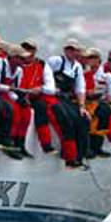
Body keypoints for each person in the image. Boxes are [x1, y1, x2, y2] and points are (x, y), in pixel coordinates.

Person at [46, 39, 91, 169]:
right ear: (65, 50)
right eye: (69, 49)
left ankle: (80, 156)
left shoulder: (77, 68)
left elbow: (80, 89)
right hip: (52, 96)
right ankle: (67, 154)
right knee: (66, 119)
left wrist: (82, 107)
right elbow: (44, 75)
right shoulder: (56, 61)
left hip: (66, 99)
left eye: (74, 50)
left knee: (83, 120)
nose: (71, 52)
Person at [17, 39, 57, 154]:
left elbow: (51, 88)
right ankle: (18, 143)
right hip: (18, 94)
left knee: (42, 108)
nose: (27, 51)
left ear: (35, 51)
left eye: (30, 48)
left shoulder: (42, 65)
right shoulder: (16, 62)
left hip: (35, 97)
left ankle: (46, 144)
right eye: (24, 48)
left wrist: (40, 89)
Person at [82, 48, 111, 158]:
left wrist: (109, 98)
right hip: (83, 101)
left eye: (93, 57)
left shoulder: (107, 76)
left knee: (103, 112)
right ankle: (87, 147)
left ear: (99, 59)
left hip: (100, 102)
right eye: (88, 57)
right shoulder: (81, 72)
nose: (90, 60)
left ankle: (97, 146)